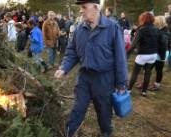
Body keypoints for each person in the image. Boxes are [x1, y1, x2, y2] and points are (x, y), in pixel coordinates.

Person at [54, 0, 128, 137]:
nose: (81, 11)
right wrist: (64, 68)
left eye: (84, 7)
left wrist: (121, 83)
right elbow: (72, 52)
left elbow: (120, 57)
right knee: (78, 107)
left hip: (104, 79)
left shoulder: (112, 27)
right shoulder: (79, 29)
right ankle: (70, 133)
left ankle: (106, 132)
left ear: (96, 7)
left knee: (104, 111)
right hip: (84, 78)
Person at [127, 12, 159, 96]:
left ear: (143, 19)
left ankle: (129, 90)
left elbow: (133, 44)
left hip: (143, 55)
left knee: (135, 73)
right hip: (153, 55)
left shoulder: (141, 30)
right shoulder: (156, 29)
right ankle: (144, 91)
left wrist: (126, 54)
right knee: (148, 73)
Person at [148, 16, 169, 91]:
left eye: (155, 21)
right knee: (149, 68)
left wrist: (162, 56)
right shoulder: (160, 30)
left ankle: (157, 85)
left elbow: (163, 45)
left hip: (161, 53)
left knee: (158, 69)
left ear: (159, 22)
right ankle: (146, 82)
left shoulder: (163, 32)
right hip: (158, 52)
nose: (154, 22)